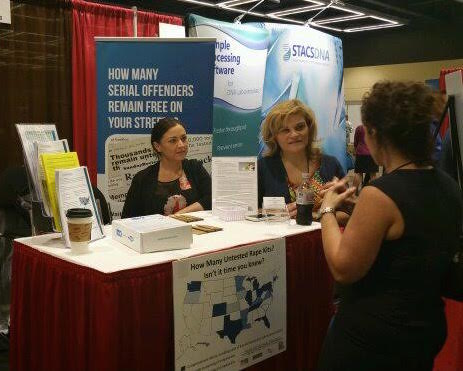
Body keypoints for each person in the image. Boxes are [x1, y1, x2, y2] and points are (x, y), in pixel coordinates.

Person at [318, 81, 462, 370]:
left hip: (373, 338)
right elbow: (409, 231)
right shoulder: (447, 185)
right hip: (422, 329)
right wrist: (361, 211)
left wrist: (327, 210)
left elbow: (343, 267)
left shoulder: (380, 193)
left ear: (374, 134)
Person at [258, 99, 346, 219]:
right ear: (274, 136)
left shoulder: (330, 164)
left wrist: (316, 216)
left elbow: (349, 213)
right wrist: (271, 213)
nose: (294, 134)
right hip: (282, 237)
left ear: (309, 129)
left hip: (325, 236)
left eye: (299, 127)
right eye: (285, 130)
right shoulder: (263, 168)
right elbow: (248, 212)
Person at [122, 118, 211, 218]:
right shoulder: (142, 179)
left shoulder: (195, 168)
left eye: (183, 138)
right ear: (157, 146)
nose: (181, 145)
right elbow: (127, 218)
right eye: (173, 141)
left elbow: (211, 199)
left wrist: (178, 215)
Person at [353, 124, 378, 190]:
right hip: (372, 153)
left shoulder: (359, 128)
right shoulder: (375, 128)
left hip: (360, 153)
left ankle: (352, 193)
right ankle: (374, 192)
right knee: (373, 174)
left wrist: (356, 149)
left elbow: (356, 141)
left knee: (358, 174)